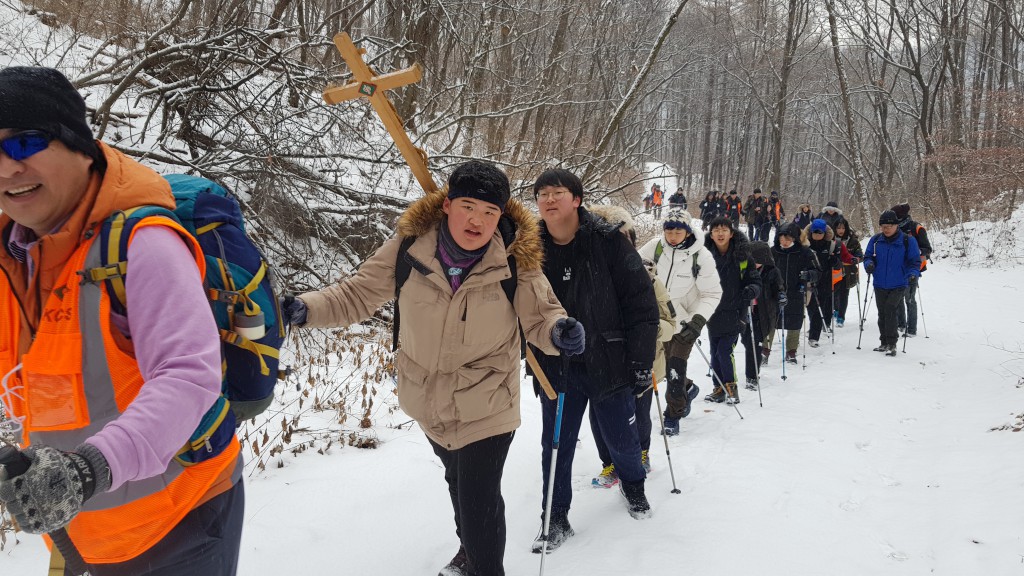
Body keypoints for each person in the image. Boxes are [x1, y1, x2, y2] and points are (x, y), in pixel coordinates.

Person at [0, 66, 243, 575]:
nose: (6, 169)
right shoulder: (12, 251)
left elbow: (188, 376)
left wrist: (87, 470)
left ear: (79, 145)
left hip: (177, 521)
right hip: (79, 529)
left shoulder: (142, 245)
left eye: (24, 143)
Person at [280, 161, 576, 576]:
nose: (478, 219)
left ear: (501, 217)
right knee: (458, 485)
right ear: (447, 205)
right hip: (428, 400)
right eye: (468, 206)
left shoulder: (514, 259)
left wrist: (560, 332)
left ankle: (483, 565)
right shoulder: (409, 248)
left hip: (487, 404)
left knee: (479, 500)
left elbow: (541, 316)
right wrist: (306, 308)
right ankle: (468, 550)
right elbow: (358, 294)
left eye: (490, 212)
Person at [529, 168, 659, 549]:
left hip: (610, 362)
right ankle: (554, 518)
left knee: (622, 439)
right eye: (542, 194)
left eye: (557, 192)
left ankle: (634, 487)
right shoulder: (528, 247)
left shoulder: (608, 241)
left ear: (577, 199)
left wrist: (640, 362)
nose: (549, 199)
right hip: (556, 365)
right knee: (556, 445)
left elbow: (641, 305)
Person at [586, 205, 676, 486]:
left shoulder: (649, 277)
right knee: (600, 418)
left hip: (642, 360)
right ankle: (610, 463)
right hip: (602, 361)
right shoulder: (587, 277)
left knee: (638, 413)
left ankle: (642, 454)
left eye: (623, 237)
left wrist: (642, 331)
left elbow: (670, 324)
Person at [637, 209, 722, 435]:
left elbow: (713, 293)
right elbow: (630, 269)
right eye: (668, 230)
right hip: (657, 321)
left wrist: (697, 322)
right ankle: (688, 388)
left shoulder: (700, 256)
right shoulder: (654, 248)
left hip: (686, 323)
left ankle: (673, 415)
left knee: (675, 366)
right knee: (662, 368)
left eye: (678, 230)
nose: (673, 235)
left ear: (687, 231)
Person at [702, 217, 761, 404]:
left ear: (731, 233)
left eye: (724, 230)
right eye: (716, 230)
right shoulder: (703, 256)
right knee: (714, 352)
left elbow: (755, 281)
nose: (720, 233)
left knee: (724, 351)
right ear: (711, 235)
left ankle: (731, 387)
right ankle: (718, 387)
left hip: (736, 312)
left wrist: (752, 290)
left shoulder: (742, 256)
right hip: (712, 312)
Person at [863, 210, 920, 356]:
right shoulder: (876, 240)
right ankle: (884, 342)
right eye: (883, 226)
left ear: (896, 225)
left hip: (899, 283)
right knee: (882, 313)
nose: (886, 228)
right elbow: (868, 256)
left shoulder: (907, 241)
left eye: (889, 225)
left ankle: (892, 343)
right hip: (880, 283)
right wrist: (869, 264)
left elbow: (914, 262)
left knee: (890, 310)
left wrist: (913, 274)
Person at [771, 223, 818, 364]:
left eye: (788, 239)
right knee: (770, 321)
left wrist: (809, 274)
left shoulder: (804, 252)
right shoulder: (772, 251)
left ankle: (791, 351)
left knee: (795, 322)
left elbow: (817, 272)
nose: (784, 242)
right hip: (775, 292)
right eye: (782, 238)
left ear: (795, 238)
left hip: (796, 291)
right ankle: (764, 351)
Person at [744, 241, 784, 387]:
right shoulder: (744, 270)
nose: (755, 264)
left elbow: (779, 288)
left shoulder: (772, 271)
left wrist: (781, 296)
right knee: (747, 342)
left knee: (754, 343)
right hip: (744, 312)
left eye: (758, 262)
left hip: (763, 313)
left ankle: (752, 376)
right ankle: (755, 361)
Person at [892, 203, 932, 337]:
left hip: (913, 269)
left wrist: (914, 254)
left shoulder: (917, 228)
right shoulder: (894, 229)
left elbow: (927, 248)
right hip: (897, 269)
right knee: (898, 297)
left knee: (909, 298)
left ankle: (912, 329)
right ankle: (901, 324)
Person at [803, 219, 841, 347]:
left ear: (825, 233)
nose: (817, 235)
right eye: (815, 232)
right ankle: (813, 327)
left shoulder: (830, 245)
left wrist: (834, 261)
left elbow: (838, 263)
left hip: (824, 280)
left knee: (820, 308)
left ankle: (814, 336)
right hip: (809, 280)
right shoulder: (805, 244)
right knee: (811, 306)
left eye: (820, 233)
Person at [833, 217, 863, 328]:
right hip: (834, 271)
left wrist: (855, 259)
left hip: (848, 271)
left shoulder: (853, 241)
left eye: (843, 228)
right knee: (834, 293)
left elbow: (860, 256)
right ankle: (835, 310)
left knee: (844, 294)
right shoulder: (830, 240)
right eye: (838, 228)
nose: (841, 230)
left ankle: (841, 317)